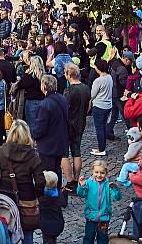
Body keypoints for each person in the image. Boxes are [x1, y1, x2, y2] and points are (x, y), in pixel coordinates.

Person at [0, 120, 44, 244]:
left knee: (5, 229)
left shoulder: (1, 151)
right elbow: (40, 181)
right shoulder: (32, 155)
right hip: (27, 197)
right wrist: (37, 194)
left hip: (5, 195)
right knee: (28, 230)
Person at [34, 74, 68, 186]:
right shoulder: (62, 98)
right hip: (60, 142)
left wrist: (32, 135)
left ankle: (50, 198)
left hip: (48, 146)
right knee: (57, 170)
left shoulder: (44, 104)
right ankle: (57, 193)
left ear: (44, 86)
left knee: (48, 174)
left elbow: (40, 129)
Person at [77, 160, 121, 244]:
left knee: (103, 239)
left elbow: (117, 198)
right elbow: (81, 194)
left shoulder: (108, 184)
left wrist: (115, 189)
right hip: (91, 217)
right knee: (88, 238)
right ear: (92, 171)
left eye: (102, 173)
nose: (99, 175)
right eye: (96, 172)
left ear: (106, 173)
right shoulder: (89, 183)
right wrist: (81, 186)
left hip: (104, 218)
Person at [62, 64, 89, 193]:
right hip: (81, 122)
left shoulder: (69, 91)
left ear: (69, 75)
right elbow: (89, 106)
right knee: (76, 152)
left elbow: (64, 109)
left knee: (64, 154)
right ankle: (76, 179)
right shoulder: (86, 88)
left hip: (68, 124)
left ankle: (70, 182)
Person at [89, 59, 113, 157]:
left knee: (99, 128)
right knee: (103, 126)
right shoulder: (109, 77)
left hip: (99, 106)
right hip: (108, 105)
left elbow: (92, 95)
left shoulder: (98, 81)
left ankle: (101, 149)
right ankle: (102, 146)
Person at [39, 171, 67, 244]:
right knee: (52, 239)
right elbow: (64, 204)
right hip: (58, 222)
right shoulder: (58, 194)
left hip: (45, 224)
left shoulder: (42, 197)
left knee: (47, 240)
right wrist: (65, 193)